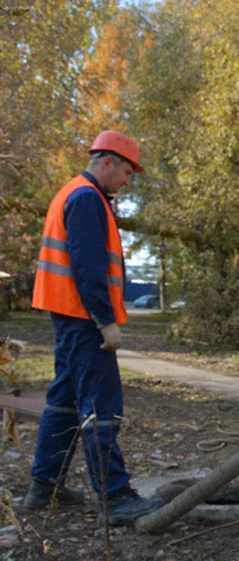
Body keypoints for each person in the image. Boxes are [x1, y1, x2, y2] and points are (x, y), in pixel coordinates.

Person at [25, 130, 164, 525]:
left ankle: (43, 486)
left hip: (68, 315)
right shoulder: (87, 199)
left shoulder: (75, 193)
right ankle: (115, 497)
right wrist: (105, 322)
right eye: (126, 171)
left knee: (64, 401)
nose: (127, 181)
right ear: (107, 162)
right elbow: (88, 268)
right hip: (84, 318)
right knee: (101, 407)